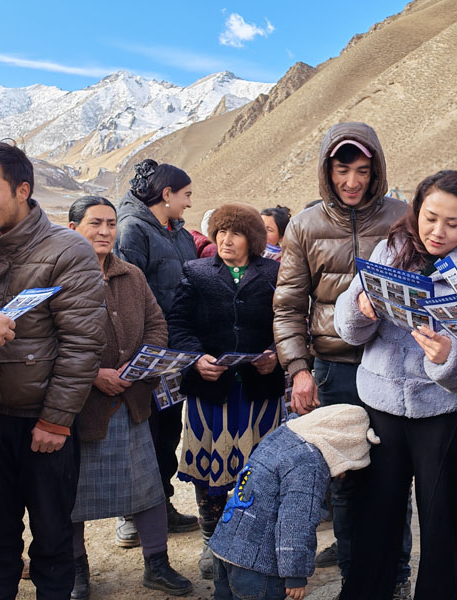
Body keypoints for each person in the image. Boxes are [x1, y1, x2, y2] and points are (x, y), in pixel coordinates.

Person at [335, 170, 457, 599]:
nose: (437, 232)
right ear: (416, 210)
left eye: (453, 223)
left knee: (443, 525)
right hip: (382, 408)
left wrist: (450, 359)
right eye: (430, 218)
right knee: (374, 521)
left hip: (445, 416)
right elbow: (347, 327)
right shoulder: (389, 250)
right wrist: (360, 308)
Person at [272, 122, 410, 594]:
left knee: (393, 475)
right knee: (346, 477)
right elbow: (288, 305)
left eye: (362, 171)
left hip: (391, 363)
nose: (352, 181)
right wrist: (299, 370)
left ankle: (396, 576)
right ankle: (356, 578)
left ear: (376, 172)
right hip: (335, 370)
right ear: (326, 172)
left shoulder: (402, 217)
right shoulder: (305, 225)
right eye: (342, 170)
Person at [0, 142, 106, 599]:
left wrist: (56, 420)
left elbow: (82, 345)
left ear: (22, 189)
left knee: (53, 543)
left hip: (42, 426)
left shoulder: (66, 250)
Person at [67, 196, 192, 598]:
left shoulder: (133, 276)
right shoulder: (60, 278)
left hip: (132, 399)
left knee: (148, 486)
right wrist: (93, 375)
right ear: (73, 230)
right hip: (79, 405)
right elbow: (50, 341)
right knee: (70, 495)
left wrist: (136, 368)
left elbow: (157, 326)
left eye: (110, 223)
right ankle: (77, 572)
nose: (105, 231)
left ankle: (157, 564)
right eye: (95, 223)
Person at [168, 203, 285, 579]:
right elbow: (178, 323)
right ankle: (212, 543)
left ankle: (252, 541)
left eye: (234, 233)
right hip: (211, 391)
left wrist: (276, 355)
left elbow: (288, 321)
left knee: (258, 469)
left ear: (252, 239)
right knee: (210, 470)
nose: (225, 240)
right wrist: (195, 357)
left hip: (258, 391)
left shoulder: (273, 273)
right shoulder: (196, 272)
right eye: (220, 232)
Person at [209, 404, 380, 600]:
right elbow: (295, 522)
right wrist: (295, 575)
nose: (342, 475)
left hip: (223, 546)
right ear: (340, 446)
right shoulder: (310, 464)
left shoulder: (282, 437)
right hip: (257, 568)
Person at [114, 158, 200, 544]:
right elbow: (126, 294)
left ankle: (160, 502)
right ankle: (131, 515)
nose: (188, 204)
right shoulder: (132, 230)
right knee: (139, 434)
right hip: (144, 354)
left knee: (166, 432)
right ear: (166, 195)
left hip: (174, 354)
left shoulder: (179, 234)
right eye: (185, 196)